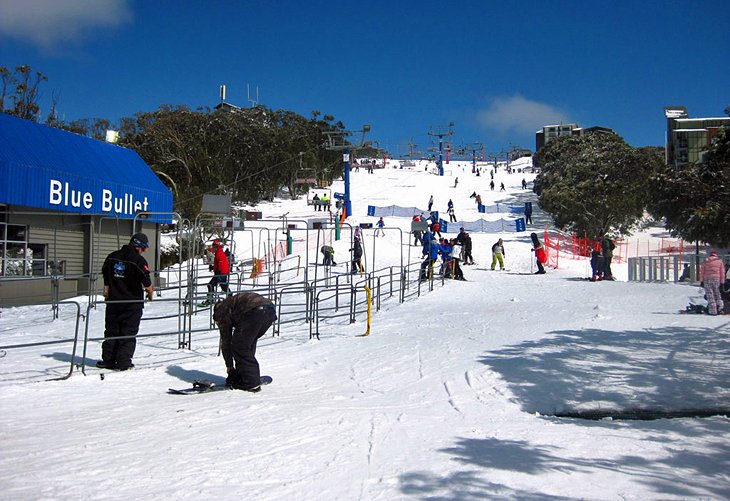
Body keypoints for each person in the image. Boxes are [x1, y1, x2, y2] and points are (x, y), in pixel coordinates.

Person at [97, 233, 154, 371]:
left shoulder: (112, 256)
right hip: (131, 303)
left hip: (113, 301)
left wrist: (107, 290)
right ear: (140, 246)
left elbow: (105, 275)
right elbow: (146, 281)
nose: (145, 251)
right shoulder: (138, 261)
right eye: (145, 248)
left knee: (111, 331)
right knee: (128, 332)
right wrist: (150, 292)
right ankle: (123, 362)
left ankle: (108, 360)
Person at [213, 292, 277, 392]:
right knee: (246, 344)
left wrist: (229, 367)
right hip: (269, 311)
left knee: (240, 346)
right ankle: (244, 375)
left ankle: (251, 382)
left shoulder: (221, 312)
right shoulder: (231, 304)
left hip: (255, 311)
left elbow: (226, 341)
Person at [204, 239, 230, 304]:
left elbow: (220, 262)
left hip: (221, 273)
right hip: (222, 272)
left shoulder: (219, 253)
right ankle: (230, 297)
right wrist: (213, 267)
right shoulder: (218, 252)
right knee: (223, 286)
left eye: (215, 247)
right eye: (213, 246)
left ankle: (211, 299)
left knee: (211, 285)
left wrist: (218, 271)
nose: (214, 248)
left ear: (217, 247)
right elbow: (219, 263)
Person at [699, 251, 725, 316]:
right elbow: (722, 272)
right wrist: (722, 282)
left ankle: (713, 311)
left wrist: (701, 281)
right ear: (716, 255)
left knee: (710, 295)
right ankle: (720, 309)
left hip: (707, 279)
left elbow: (702, 272)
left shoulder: (706, 261)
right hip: (717, 279)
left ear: (710, 255)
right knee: (717, 294)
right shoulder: (720, 261)